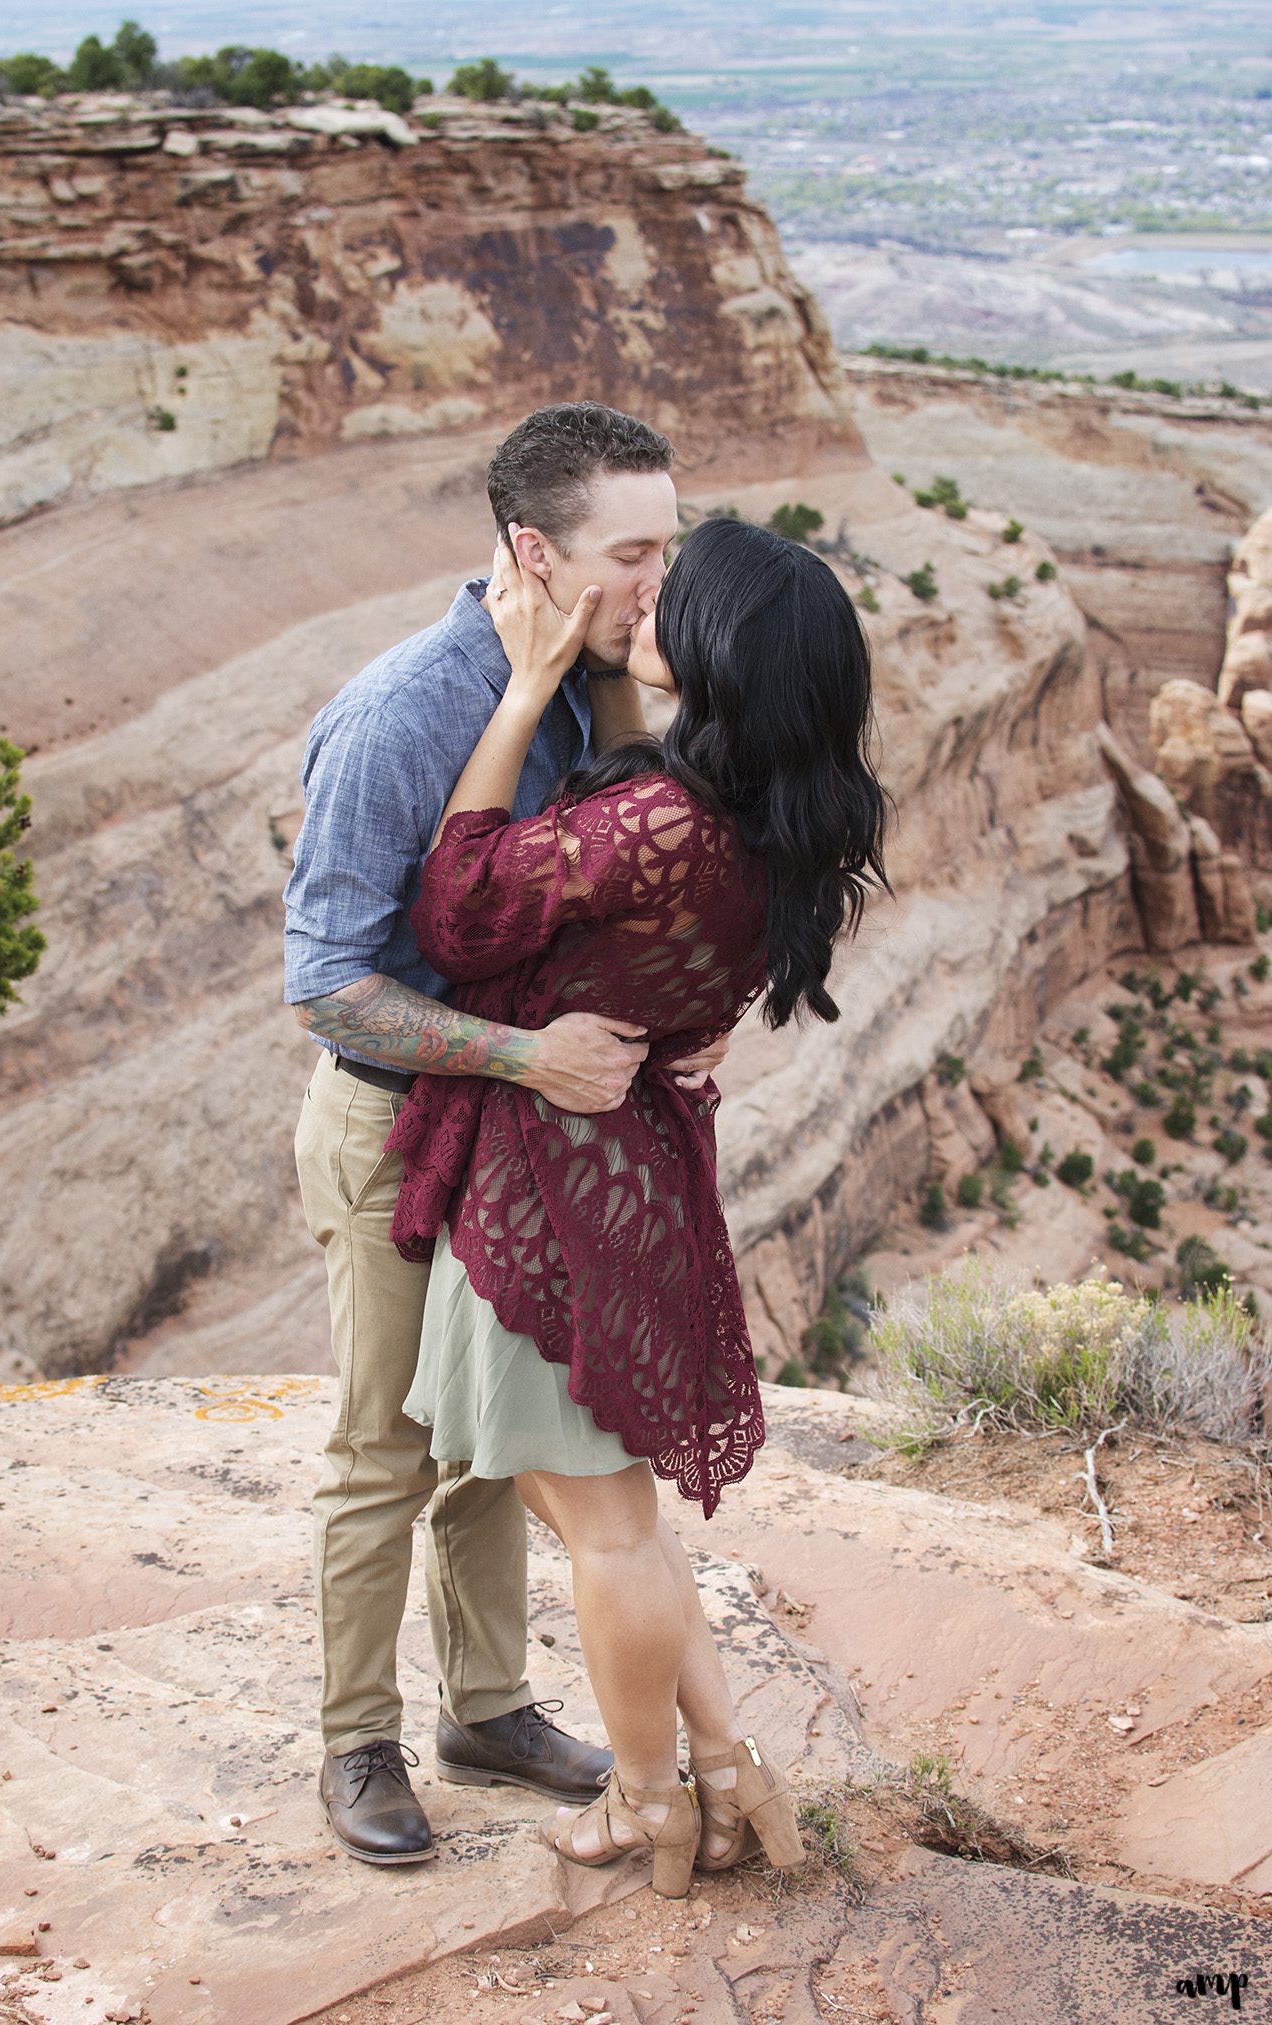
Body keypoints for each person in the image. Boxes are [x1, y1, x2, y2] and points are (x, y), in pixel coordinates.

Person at [387, 512, 895, 1896]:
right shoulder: (771, 817)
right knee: (621, 1523)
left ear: (722, 656)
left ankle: (642, 1803)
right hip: (643, 1181)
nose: (648, 591)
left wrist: (520, 685)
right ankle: (725, 1770)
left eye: (676, 588)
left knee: (605, 1531)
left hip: (547, 1197)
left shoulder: (659, 823)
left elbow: (459, 905)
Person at [283, 402, 731, 1867]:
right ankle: (359, 1739)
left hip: (510, 1140)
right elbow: (328, 980)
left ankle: (486, 1707)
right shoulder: (404, 712)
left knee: (483, 1444)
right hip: (394, 1123)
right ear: (533, 551)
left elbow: (592, 899)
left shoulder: (592, 685)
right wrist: (523, 1055)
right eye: (633, 557)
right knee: (385, 1446)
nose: (656, 591)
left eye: (668, 554)